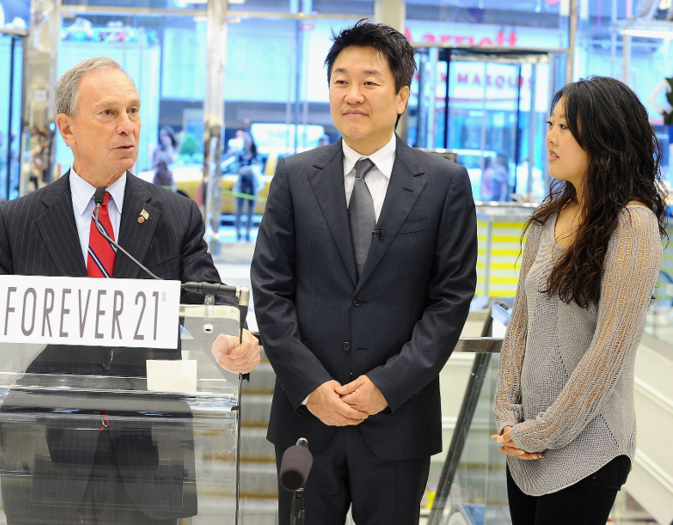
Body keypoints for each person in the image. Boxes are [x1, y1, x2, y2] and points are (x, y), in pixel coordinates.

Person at [0, 57, 261, 525]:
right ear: (66, 129)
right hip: (46, 453)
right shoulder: (18, 221)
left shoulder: (175, 215)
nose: (127, 127)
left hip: (148, 456)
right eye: (108, 113)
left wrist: (237, 342)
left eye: (133, 111)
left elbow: (212, 303)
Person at [251, 20, 477, 525]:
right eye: (340, 80)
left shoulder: (444, 184)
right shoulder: (292, 175)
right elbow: (269, 290)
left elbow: (451, 300)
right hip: (307, 418)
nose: (353, 95)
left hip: (399, 422)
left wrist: (386, 386)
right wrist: (312, 386)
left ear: (401, 96)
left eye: (370, 82)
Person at [492, 76, 667, 525]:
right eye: (550, 123)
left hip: (588, 448)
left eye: (565, 127)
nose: (550, 136)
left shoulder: (633, 224)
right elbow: (521, 327)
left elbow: (608, 354)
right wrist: (507, 414)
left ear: (605, 135)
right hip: (525, 446)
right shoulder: (546, 221)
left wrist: (542, 431)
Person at [232, 130, 263, 242]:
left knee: (251, 209)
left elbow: (258, 168)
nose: (245, 140)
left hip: (253, 185)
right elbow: (237, 169)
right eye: (244, 138)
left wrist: (249, 170)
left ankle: (248, 233)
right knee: (239, 209)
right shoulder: (240, 155)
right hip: (241, 184)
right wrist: (247, 170)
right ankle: (238, 234)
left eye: (247, 138)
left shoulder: (256, 155)